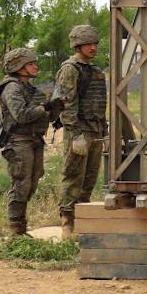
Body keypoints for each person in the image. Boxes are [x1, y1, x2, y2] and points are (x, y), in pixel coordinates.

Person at [0, 48, 59, 236]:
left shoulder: (31, 89)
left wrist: (56, 109)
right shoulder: (11, 87)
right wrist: (44, 107)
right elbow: (21, 115)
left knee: (33, 181)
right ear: (18, 66)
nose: (35, 66)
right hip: (19, 141)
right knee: (21, 183)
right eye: (30, 64)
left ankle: (20, 226)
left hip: (35, 140)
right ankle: (16, 229)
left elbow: (44, 115)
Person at [55, 24, 108, 235]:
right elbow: (66, 104)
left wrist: (104, 129)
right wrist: (75, 134)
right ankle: (67, 222)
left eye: (94, 43)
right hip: (79, 131)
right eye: (88, 44)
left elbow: (101, 103)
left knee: (90, 178)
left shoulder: (95, 71)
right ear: (78, 46)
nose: (93, 47)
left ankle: (82, 218)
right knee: (73, 175)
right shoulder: (70, 69)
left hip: (94, 130)